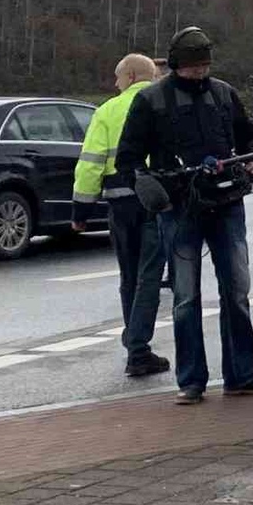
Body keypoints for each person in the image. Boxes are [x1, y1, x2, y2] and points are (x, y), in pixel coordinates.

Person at [115, 26, 253, 405]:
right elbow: (127, 159)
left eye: (204, 67)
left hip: (227, 205)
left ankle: (243, 374)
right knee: (185, 297)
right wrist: (149, 190)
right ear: (176, 65)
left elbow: (250, 139)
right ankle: (191, 381)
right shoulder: (151, 101)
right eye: (193, 69)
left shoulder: (224, 95)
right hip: (179, 210)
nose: (199, 75)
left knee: (237, 291)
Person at [73, 51, 169, 379]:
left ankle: (136, 346)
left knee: (130, 277)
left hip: (120, 205)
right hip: (157, 202)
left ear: (129, 77)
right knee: (150, 277)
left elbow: (89, 164)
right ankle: (138, 349)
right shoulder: (164, 104)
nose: (115, 84)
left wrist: (81, 210)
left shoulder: (107, 111)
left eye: (117, 77)